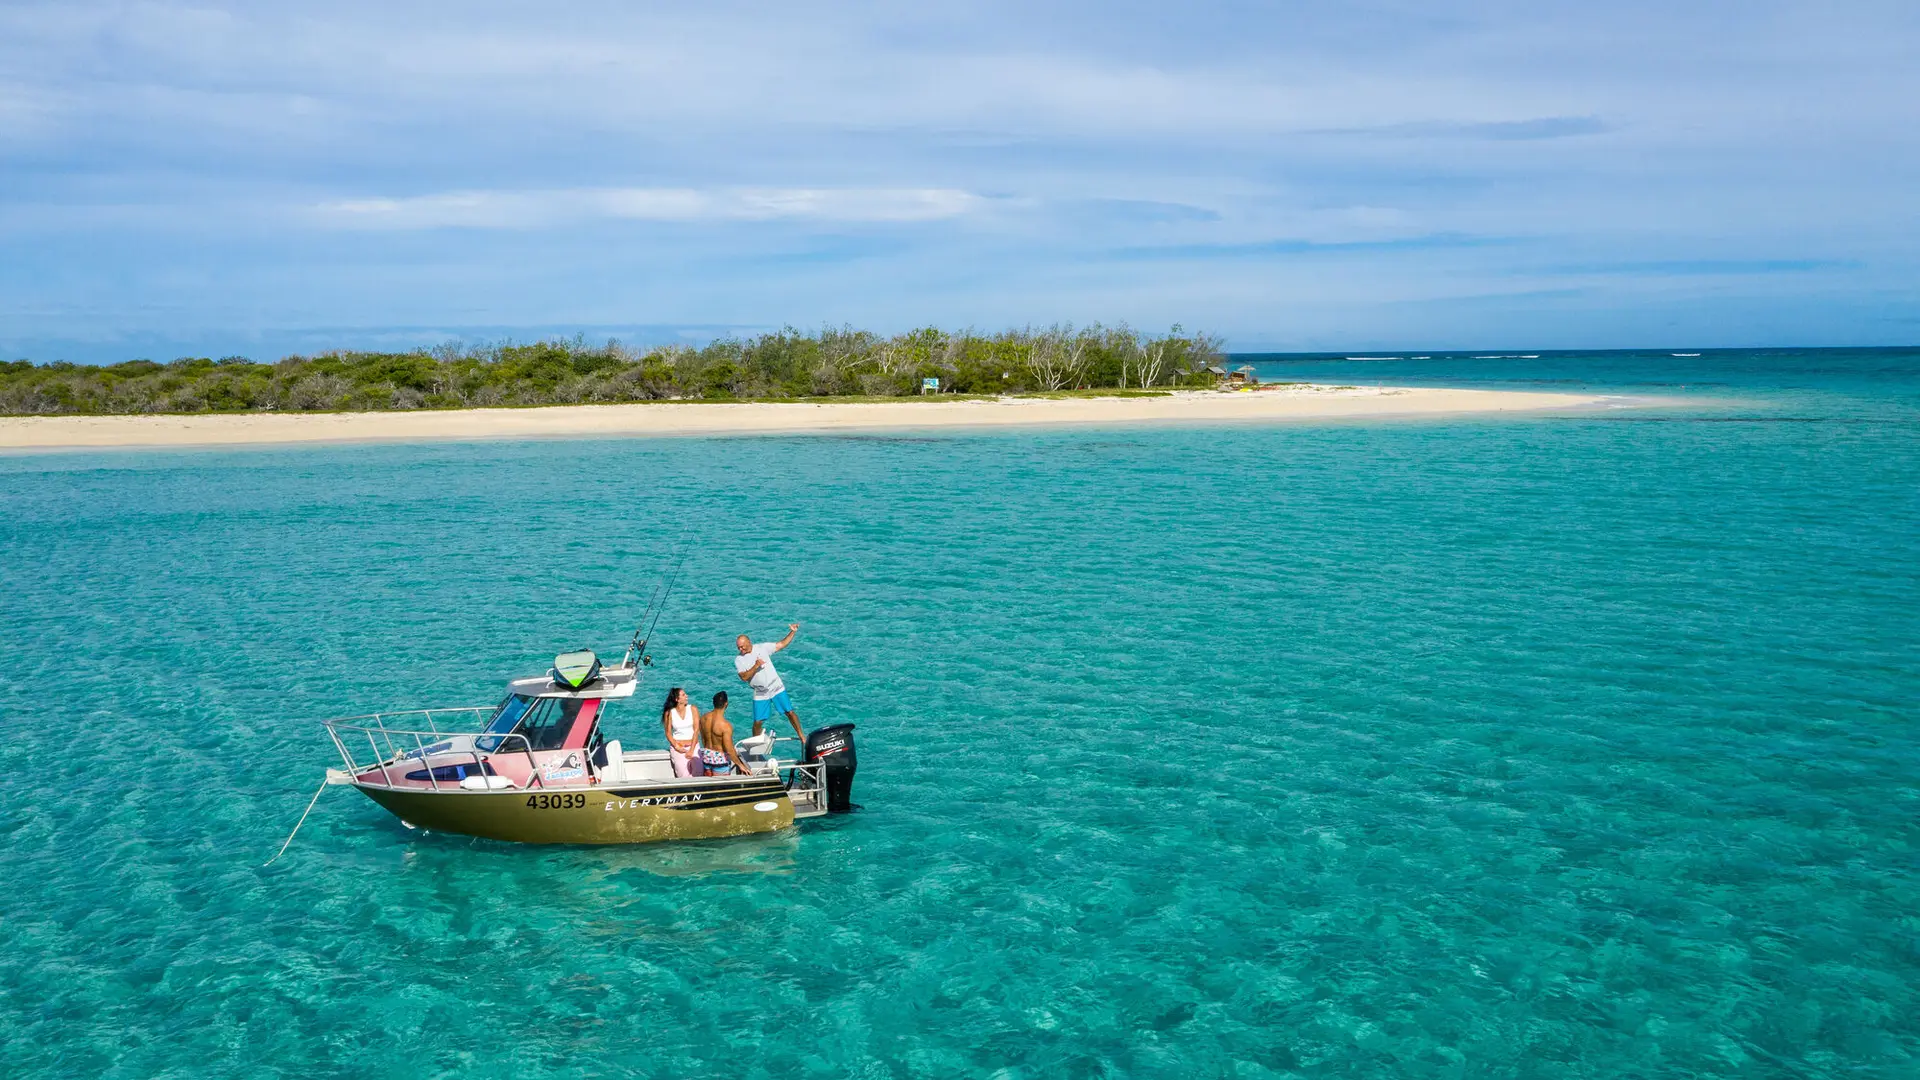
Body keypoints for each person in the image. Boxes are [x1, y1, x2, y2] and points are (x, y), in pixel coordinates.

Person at [734, 624, 805, 742]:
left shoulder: (762, 648)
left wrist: (792, 632)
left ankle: (801, 735)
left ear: (748, 642)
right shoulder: (739, 660)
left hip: (776, 686)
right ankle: (755, 743)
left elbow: (781, 644)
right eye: (738, 648)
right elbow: (744, 677)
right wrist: (756, 666)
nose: (741, 650)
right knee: (757, 722)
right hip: (761, 691)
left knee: (790, 712)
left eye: (742, 647)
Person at [697, 691, 753, 776]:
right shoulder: (725, 725)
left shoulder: (703, 718)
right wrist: (740, 765)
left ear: (714, 703)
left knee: (710, 785)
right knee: (720, 787)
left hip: (707, 756)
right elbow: (729, 750)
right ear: (726, 704)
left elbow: (703, 739)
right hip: (720, 761)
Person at [660, 686, 702, 778]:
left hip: (693, 745)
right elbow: (668, 732)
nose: (686, 696)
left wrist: (691, 750)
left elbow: (696, 730)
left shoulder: (693, 709)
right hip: (678, 747)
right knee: (683, 775)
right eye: (683, 695)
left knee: (698, 772)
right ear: (677, 699)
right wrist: (676, 746)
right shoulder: (670, 712)